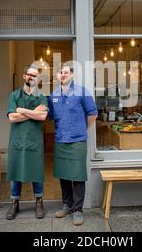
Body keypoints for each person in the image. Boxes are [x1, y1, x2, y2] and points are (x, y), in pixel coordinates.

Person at [48, 65, 98, 226]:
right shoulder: (54, 94)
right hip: (61, 139)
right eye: (60, 72)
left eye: (66, 72)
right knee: (63, 174)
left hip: (77, 140)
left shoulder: (82, 91)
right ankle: (67, 205)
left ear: (72, 75)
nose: (63, 75)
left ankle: (78, 210)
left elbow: (93, 113)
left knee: (77, 175)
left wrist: (81, 128)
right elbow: (49, 115)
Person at [5, 65, 49, 220]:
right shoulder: (14, 95)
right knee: (16, 171)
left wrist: (21, 110)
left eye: (35, 76)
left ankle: (39, 202)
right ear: (24, 76)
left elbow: (42, 117)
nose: (32, 78)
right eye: (30, 75)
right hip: (17, 141)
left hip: (35, 141)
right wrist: (33, 113)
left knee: (36, 172)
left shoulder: (42, 97)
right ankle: (15, 203)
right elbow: (11, 118)